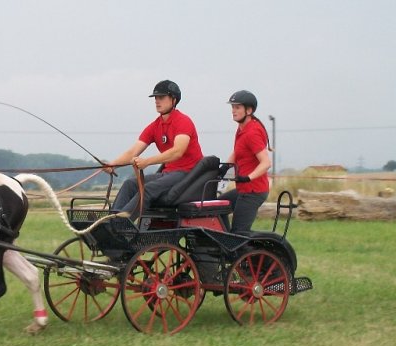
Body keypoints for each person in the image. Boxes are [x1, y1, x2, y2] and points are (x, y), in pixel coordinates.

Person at [105, 80, 203, 218]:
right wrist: (113, 165)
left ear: (174, 100)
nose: (157, 101)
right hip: (168, 174)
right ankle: (109, 222)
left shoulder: (183, 121)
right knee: (129, 184)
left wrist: (147, 162)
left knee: (148, 189)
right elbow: (132, 152)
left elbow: (177, 151)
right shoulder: (155, 126)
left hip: (188, 174)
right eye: (155, 98)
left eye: (161, 97)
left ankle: (122, 224)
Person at [219, 90, 272, 233]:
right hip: (243, 189)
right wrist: (224, 168)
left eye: (237, 107)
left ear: (249, 110)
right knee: (217, 208)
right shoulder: (242, 128)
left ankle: (241, 248)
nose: (233, 111)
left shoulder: (252, 132)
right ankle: (225, 241)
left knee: (239, 233)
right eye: (232, 107)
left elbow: (266, 163)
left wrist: (248, 177)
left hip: (253, 191)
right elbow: (238, 151)